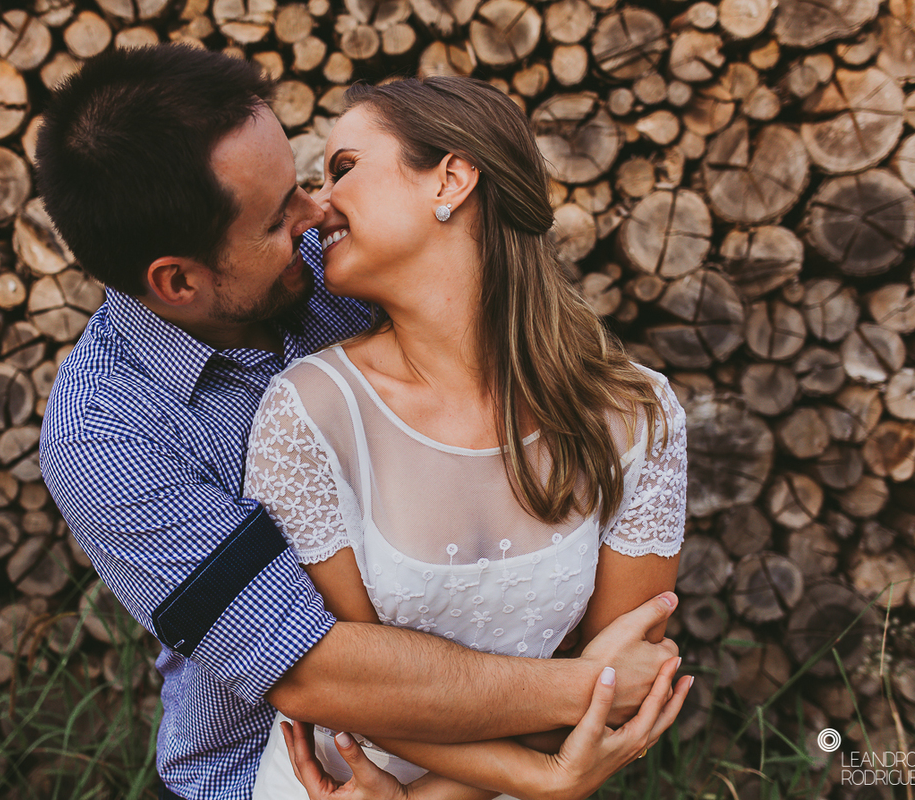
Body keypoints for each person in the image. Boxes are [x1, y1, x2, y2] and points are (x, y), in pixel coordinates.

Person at [35, 45, 684, 800]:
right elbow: (314, 670)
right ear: (179, 281)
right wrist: (592, 700)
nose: (317, 215)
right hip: (279, 775)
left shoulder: (347, 266)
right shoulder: (108, 438)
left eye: (311, 182)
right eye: (280, 217)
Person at [243, 76, 690, 800]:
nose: (320, 205)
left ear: (450, 178)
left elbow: (631, 676)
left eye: (345, 168)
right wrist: (544, 774)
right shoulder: (310, 414)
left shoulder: (635, 413)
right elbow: (350, 692)